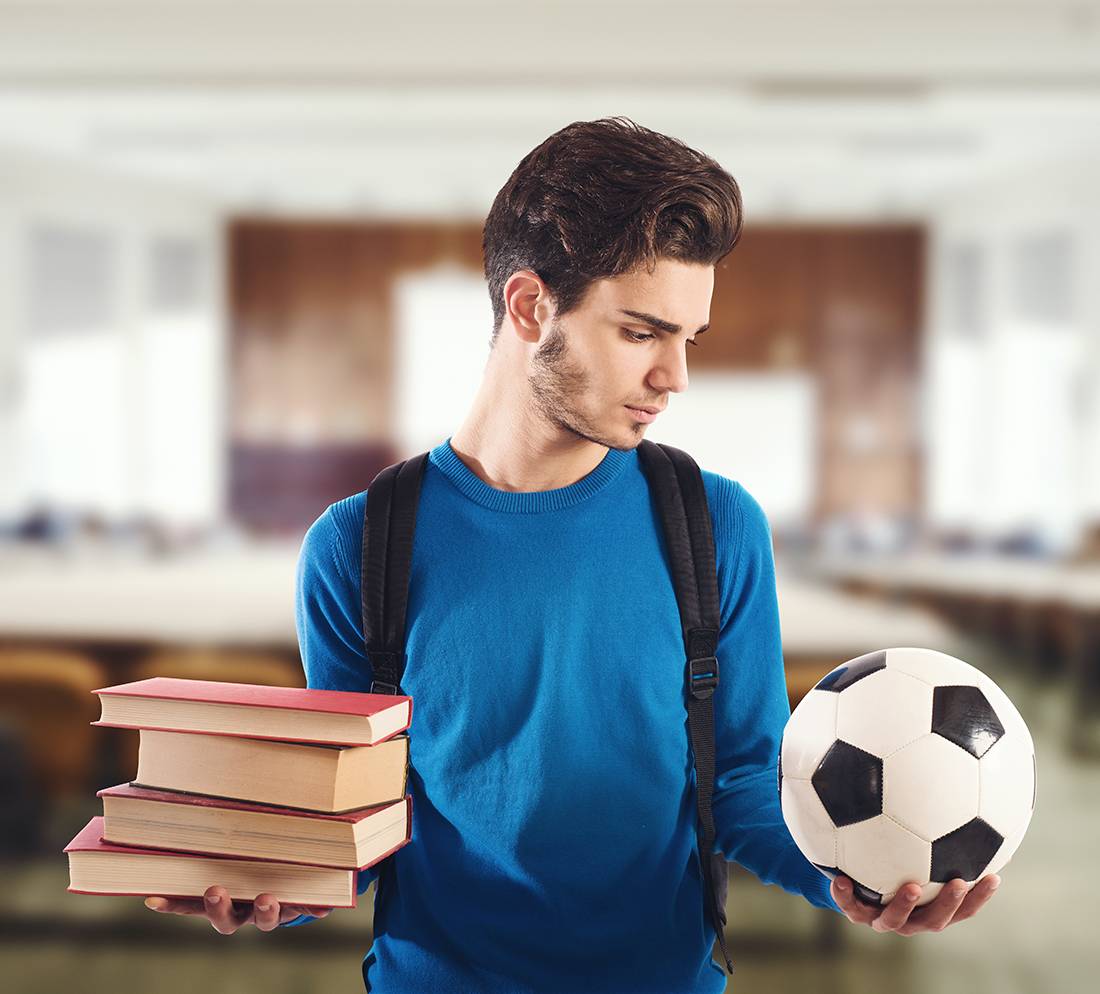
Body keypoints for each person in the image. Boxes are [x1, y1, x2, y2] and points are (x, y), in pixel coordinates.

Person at [144, 116, 1000, 990]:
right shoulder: (356, 546)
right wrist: (275, 884)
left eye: (686, 339)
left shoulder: (715, 524)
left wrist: (847, 868)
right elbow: (363, 809)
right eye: (641, 333)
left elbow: (743, 776)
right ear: (529, 306)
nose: (677, 377)